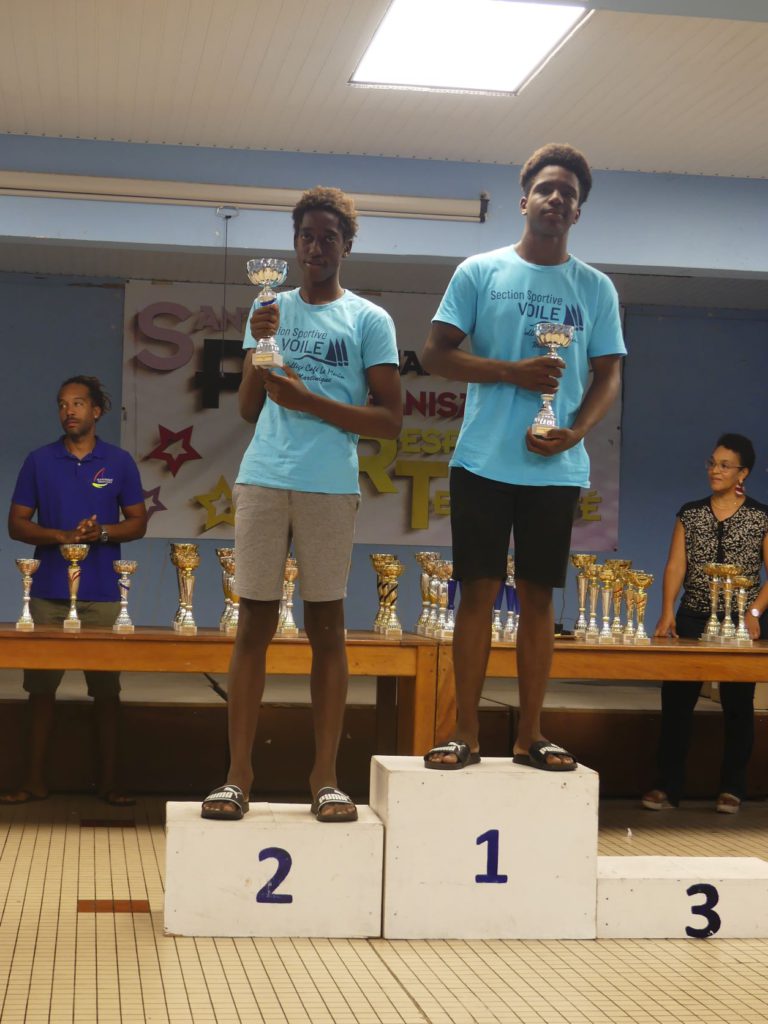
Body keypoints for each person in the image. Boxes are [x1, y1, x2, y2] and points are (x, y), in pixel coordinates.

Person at [422, 143, 625, 772]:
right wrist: (512, 372)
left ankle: (530, 734)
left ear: (578, 212)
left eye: (569, 194)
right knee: (477, 593)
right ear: (524, 200)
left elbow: (609, 374)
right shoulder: (480, 272)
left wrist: (576, 431)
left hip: (554, 466)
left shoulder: (595, 288)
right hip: (481, 461)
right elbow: (435, 355)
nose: (556, 199)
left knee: (539, 598)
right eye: (546, 188)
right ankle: (464, 733)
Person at [201, 186, 401, 822]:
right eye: (306, 237)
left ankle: (326, 779)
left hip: (329, 485)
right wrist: (259, 350)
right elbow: (248, 409)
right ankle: (237, 777)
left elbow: (390, 420)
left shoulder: (369, 320)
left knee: (327, 629)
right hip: (263, 478)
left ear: (347, 245)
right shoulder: (269, 309)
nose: (316, 247)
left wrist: (310, 400)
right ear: (295, 244)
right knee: (253, 625)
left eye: (328, 238)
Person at [2, 376, 147, 806]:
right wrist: (61, 536)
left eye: (79, 403)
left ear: (96, 411)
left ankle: (110, 783)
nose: (69, 411)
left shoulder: (118, 462)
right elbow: (16, 524)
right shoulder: (39, 460)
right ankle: (33, 781)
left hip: (103, 592)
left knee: (106, 693)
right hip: (47, 590)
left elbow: (137, 522)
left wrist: (100, 533)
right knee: (40, 692)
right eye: (63, 404)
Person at [642, 434, 768, 814]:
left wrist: (754, 613)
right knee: (676, 702)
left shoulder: (761, 517)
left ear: (743, 473)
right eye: (712, 463)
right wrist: (667, 610)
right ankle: (667, 786)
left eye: (725, 465)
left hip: (740, 624)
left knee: (738, 704)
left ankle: (732, 788)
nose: (715, 470)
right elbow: (675, 565)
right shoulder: (690, 513)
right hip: (693, 616)